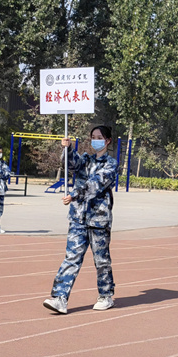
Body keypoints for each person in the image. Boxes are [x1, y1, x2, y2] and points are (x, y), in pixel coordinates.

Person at [44, 126, 118, 315]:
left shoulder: (110, 163)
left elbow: (96, 183)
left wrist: (75, 194)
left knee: (101, 260)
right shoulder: (86, 159)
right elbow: (70, 163)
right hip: (78, 217)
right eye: (93, 137)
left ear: (107, 140)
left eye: (99, 137)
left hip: (98, 219)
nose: (95, 140)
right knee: (71, 257)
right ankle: (60, 298)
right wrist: (67, 148)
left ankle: (105, 295)